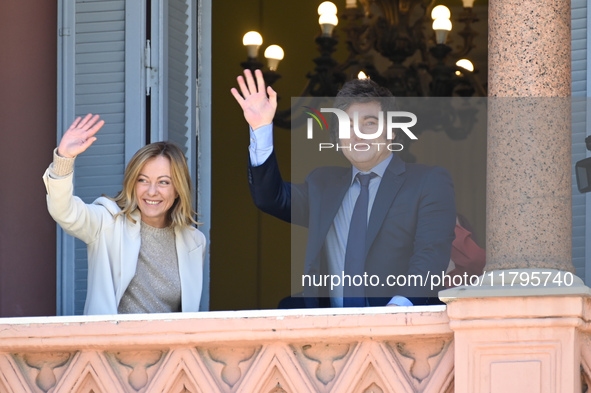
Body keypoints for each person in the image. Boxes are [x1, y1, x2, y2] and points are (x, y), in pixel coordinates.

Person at [231, 69, 456, 307]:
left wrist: (397, 310)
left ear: (391, 131)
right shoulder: (323, 184)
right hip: (332, 332)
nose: (357, 135)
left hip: (401, 328)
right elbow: (270, 197)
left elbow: (430, 255)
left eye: (369, 123)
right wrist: (261, 128)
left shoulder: (428, 182)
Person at [43, 114, 206, 315]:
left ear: (178, 188)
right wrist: (64, 159)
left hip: (167, 345)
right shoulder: (107, 221)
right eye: (143, 180)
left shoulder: (195, 241)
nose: (152, 191)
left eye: (163, 182)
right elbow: (64, 212)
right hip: (113, 344)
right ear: (132, 183)